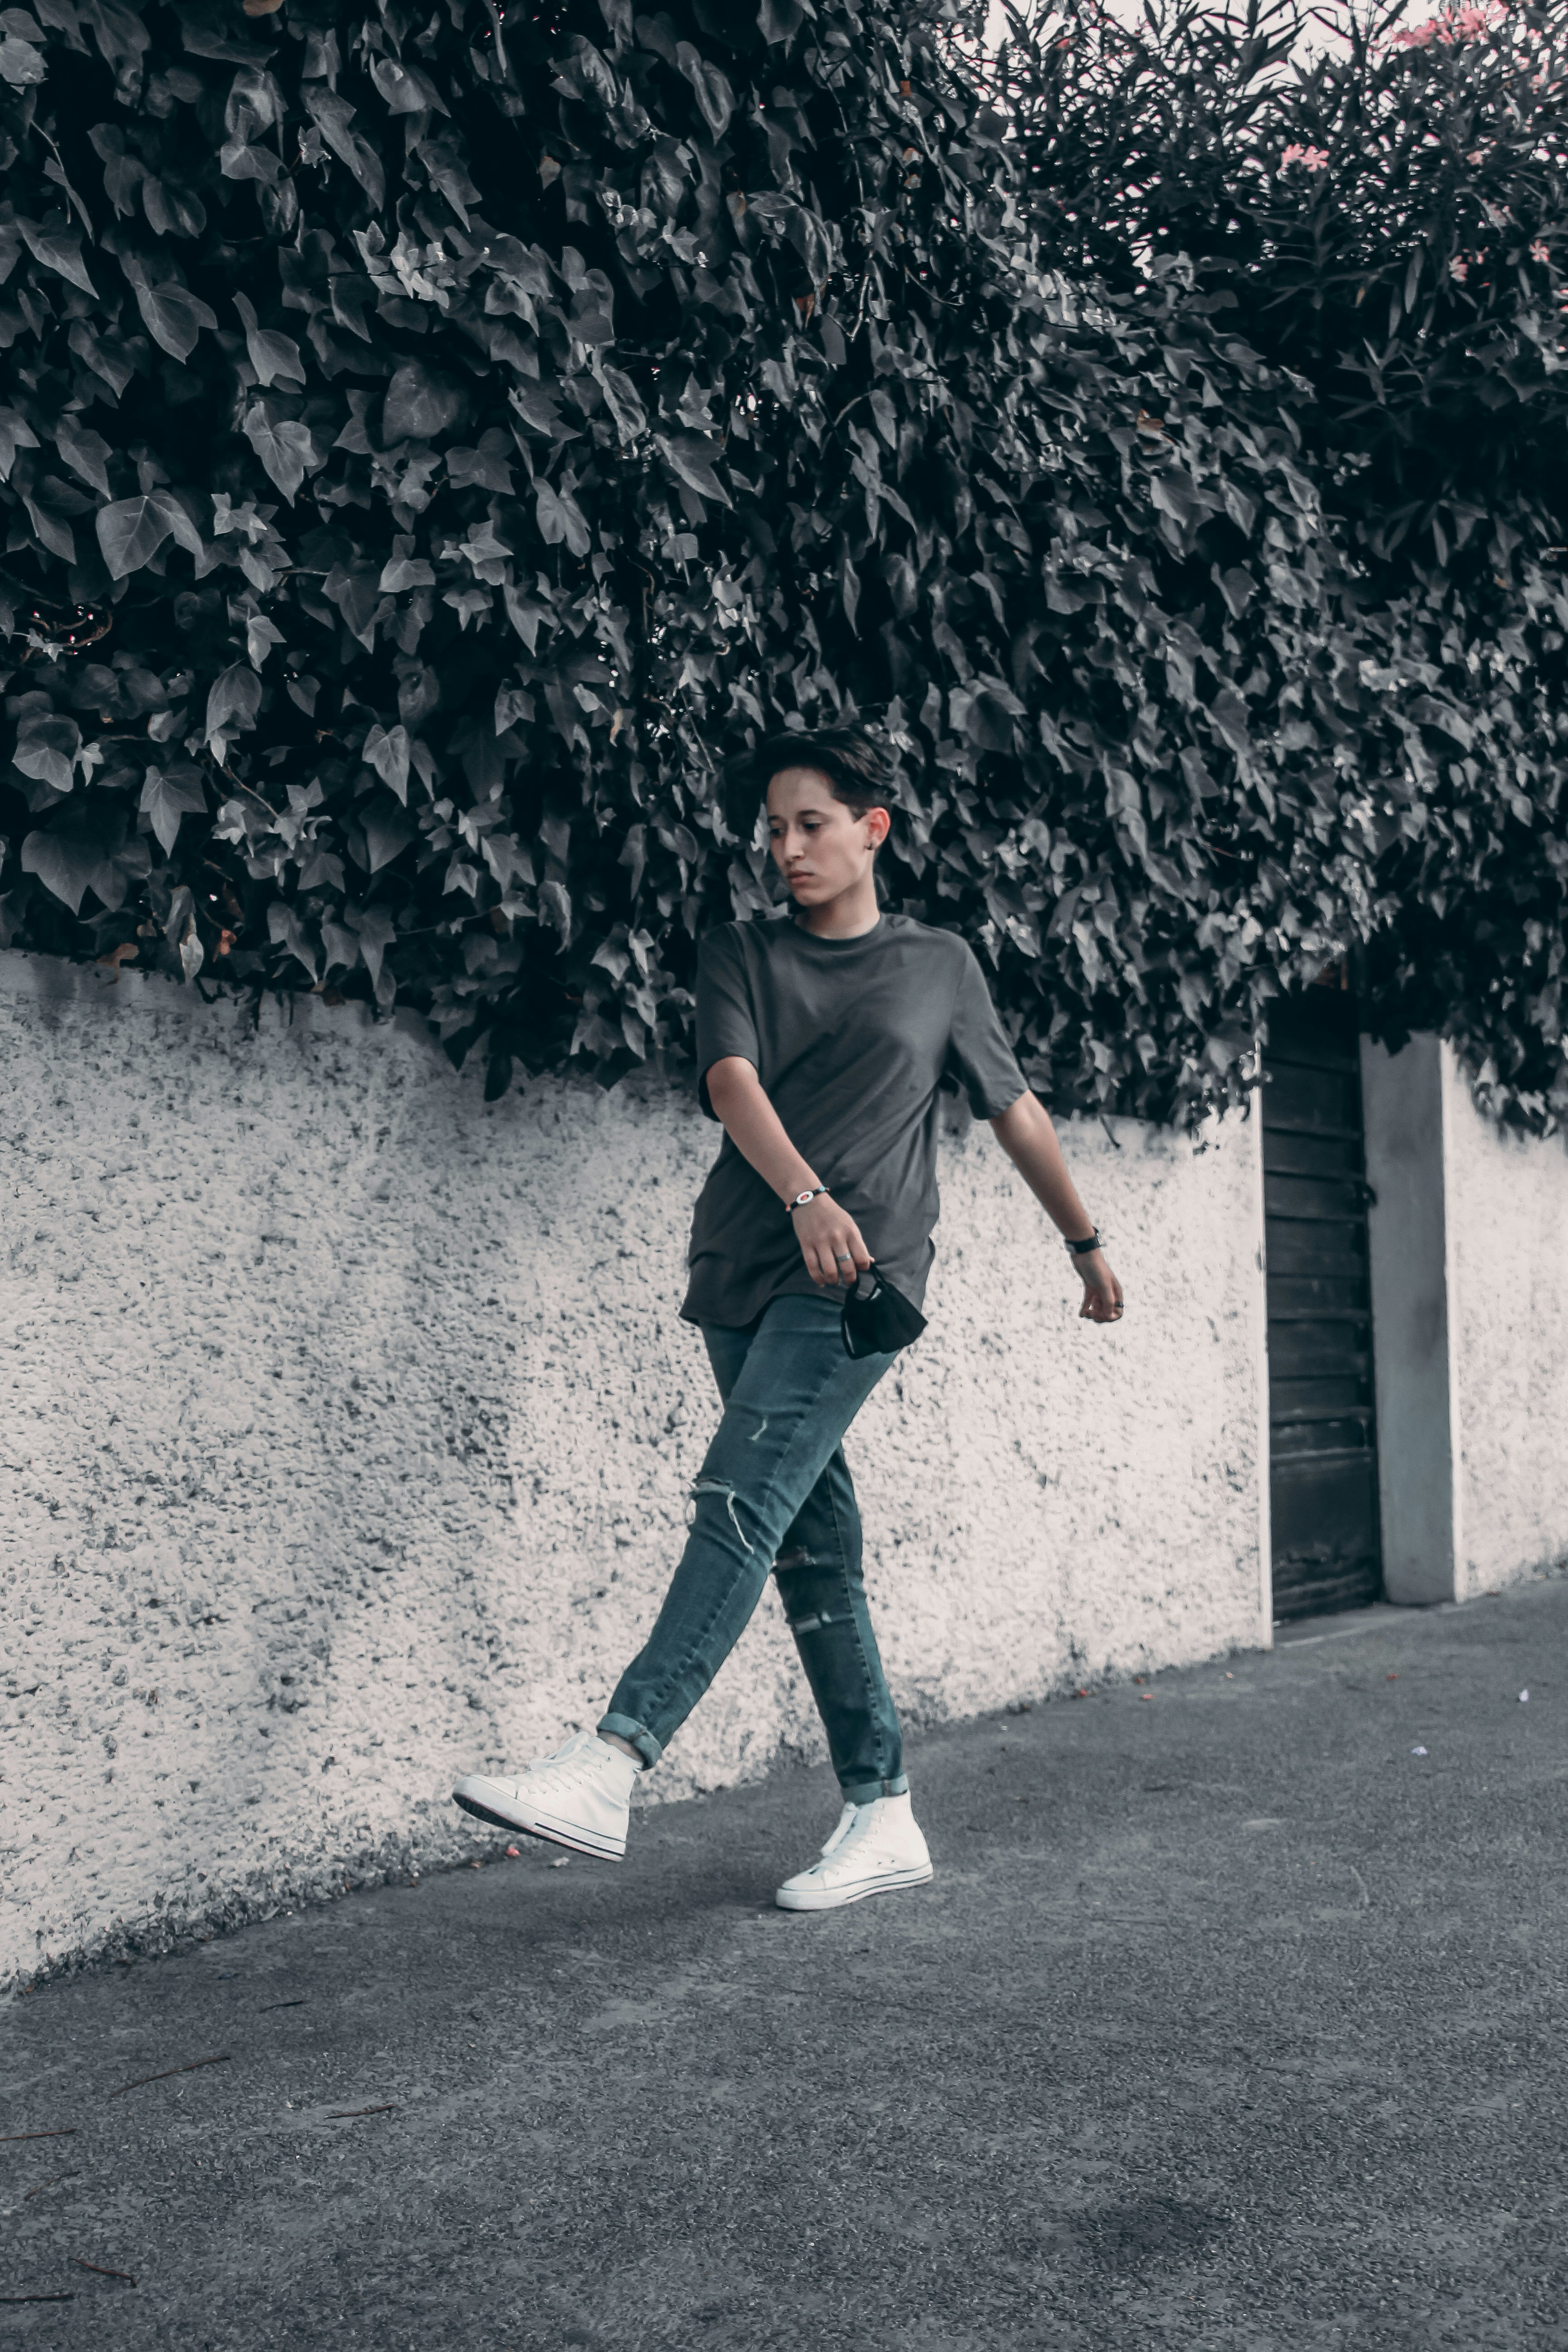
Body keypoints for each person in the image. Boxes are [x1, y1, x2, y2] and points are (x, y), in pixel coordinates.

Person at [453, 726, 1124, 1911]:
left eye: (811, 823)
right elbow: (731, 1082)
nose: (787, 847)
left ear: (873, 827)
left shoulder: (940, 967)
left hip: (860, 1277)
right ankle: (884, 1811)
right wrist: (800, 1193)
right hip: (743, 1266)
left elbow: (1013, 1108)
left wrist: (1084, 1241)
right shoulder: (741, 951)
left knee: (741, 1499)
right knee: (813, 1547)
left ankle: (613, 1759)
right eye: (773, 828)